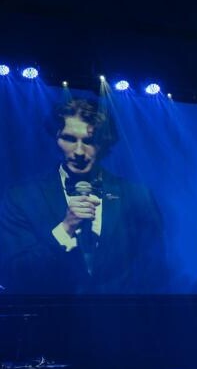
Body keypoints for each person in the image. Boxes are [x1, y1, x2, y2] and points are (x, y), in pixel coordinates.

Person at [0, 98, 168, 293]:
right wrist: (65, 229)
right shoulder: (21, 198)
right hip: (50, 310)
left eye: (89, 141)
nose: (79, 151)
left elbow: (156, 270)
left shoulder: (137, 196)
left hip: (121, 311)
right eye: (69, 139)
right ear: (55, 139)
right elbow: (15, 272)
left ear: (104, 143)